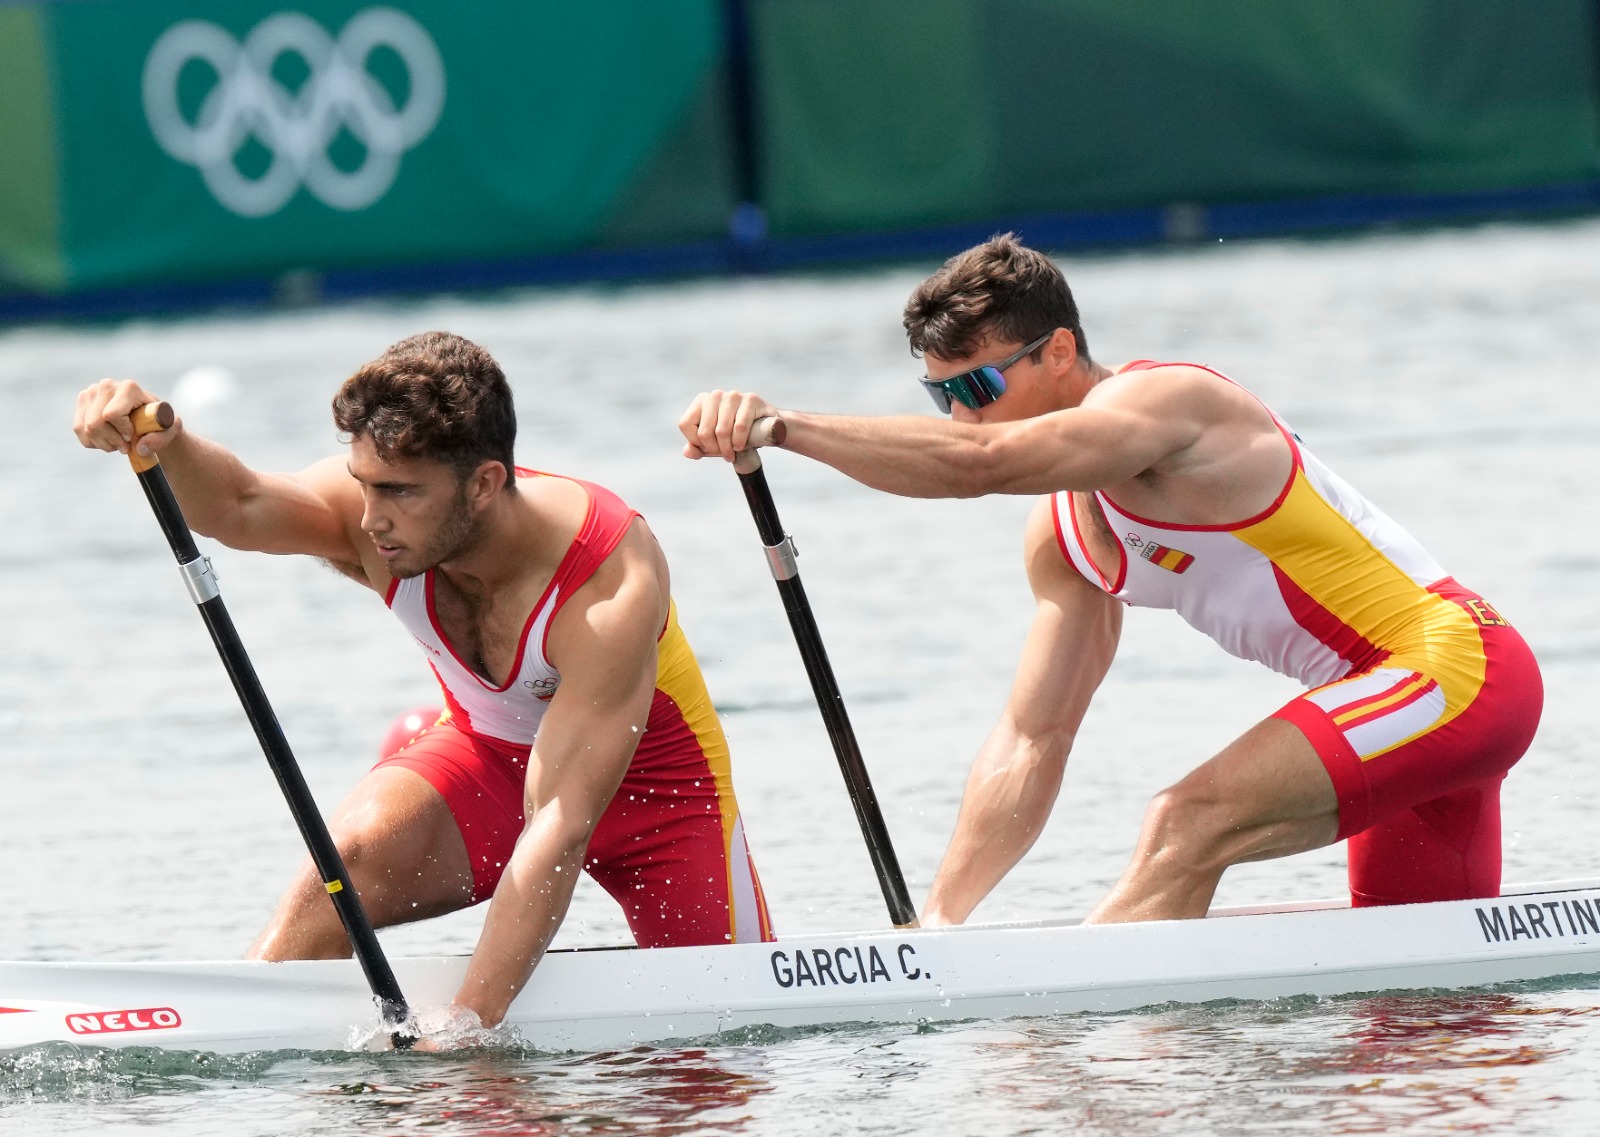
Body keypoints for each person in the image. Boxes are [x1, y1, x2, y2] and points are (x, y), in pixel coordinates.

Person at [679, 234, 1541, 926]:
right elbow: (1033, 736)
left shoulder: (1168, 405)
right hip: (1393, 710)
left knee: (1185, 822)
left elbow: (980, 462)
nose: (966, 413)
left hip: (1456, 665)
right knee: (1418, 1020)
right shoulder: (1064, 538)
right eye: (944, 397)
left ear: (1059, 350)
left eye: (979, 383)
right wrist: (938, 930)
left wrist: (784, 426)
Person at [74, 331, 773, 1035]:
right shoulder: (375, 513)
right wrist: (167, 437)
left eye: (399, 493)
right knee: (337, 872)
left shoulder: (608, 577)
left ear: (485, 484)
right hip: (492, 759)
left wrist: (467, 1028)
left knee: (726, 1048)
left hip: (661, 795)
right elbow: (238, 503)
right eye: (363, 485)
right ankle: (244, 1040)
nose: (371, 518)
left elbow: (557, 826)